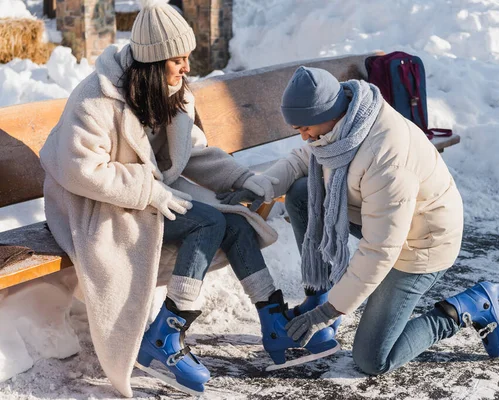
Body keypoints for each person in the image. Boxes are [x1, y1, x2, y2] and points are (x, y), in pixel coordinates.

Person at [38, 1, 336, 397]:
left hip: (147, 197)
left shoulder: (173, 92)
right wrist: (148, 189)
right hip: (96, 206)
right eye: (176, 60)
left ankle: (275, 324)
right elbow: (80, 170)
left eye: (186, 58)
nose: (185, 68)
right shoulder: (96, 98)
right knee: (209, 221)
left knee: (234, 221)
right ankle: (164, 338)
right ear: (151, 61)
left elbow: (195, 153)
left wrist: (245, 178)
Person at [222, 66, 499, 376]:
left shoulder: (386, 156)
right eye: (298, 129)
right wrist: (260, 187)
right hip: (382, 217)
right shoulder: (341, 126)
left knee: (373, 359)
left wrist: (330, 311)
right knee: (301, 192)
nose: (304, 136)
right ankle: (320, 293)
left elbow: (380, 249)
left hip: (423, 242)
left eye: (306, 128)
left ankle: (470, 307)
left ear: (330, 112)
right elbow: (302, 160)